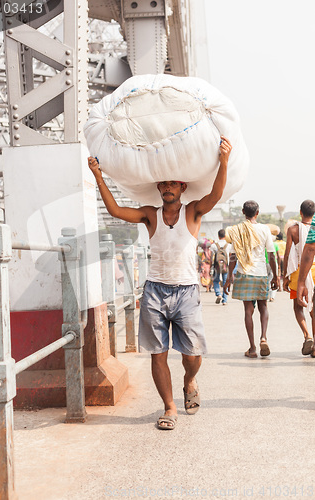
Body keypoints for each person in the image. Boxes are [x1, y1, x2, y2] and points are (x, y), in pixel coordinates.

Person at [88, 136, 233, 430]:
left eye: (173, 183)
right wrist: (98, 176)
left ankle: (190, 379)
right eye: (163, 183)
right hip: (155, 291)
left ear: (182, 187)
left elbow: (215, 196)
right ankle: (169, 408)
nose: (168, 187)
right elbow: (116, 211)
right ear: (159, 188)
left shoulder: (192, 211)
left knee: (193, 354)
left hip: (187, 291)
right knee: (159, 353)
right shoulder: (149, 215)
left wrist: (224, 161)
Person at [223, 200, 278, 358]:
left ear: (243, 212)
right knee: (263, 307)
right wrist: (275, 276)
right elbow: (272, 255)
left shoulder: (237, 230)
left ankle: (252, 349)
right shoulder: (264, 229)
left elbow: (233, 256)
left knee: (248, 310)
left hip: (244, 272)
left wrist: (229, 278)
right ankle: (264, 337)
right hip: (260, 273)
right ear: (257, 213)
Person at [283, 200, 315, 355]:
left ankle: (307, 335)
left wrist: (284, 276)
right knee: (313, 308)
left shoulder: (293, 229)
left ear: (301, 212)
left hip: (298, 271)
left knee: (298, 306)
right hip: (314, 269)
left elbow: (288, 254)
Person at [210, 229, 231, 305]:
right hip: (226, 266)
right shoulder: (229, 245)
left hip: (217, 266)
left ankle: (218, 294)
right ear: (225, 236)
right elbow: (231, 256)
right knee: (226, 282)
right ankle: (225, 300)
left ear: (218, 236)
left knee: (216, 281)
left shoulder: (214, 246)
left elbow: (211, 256)